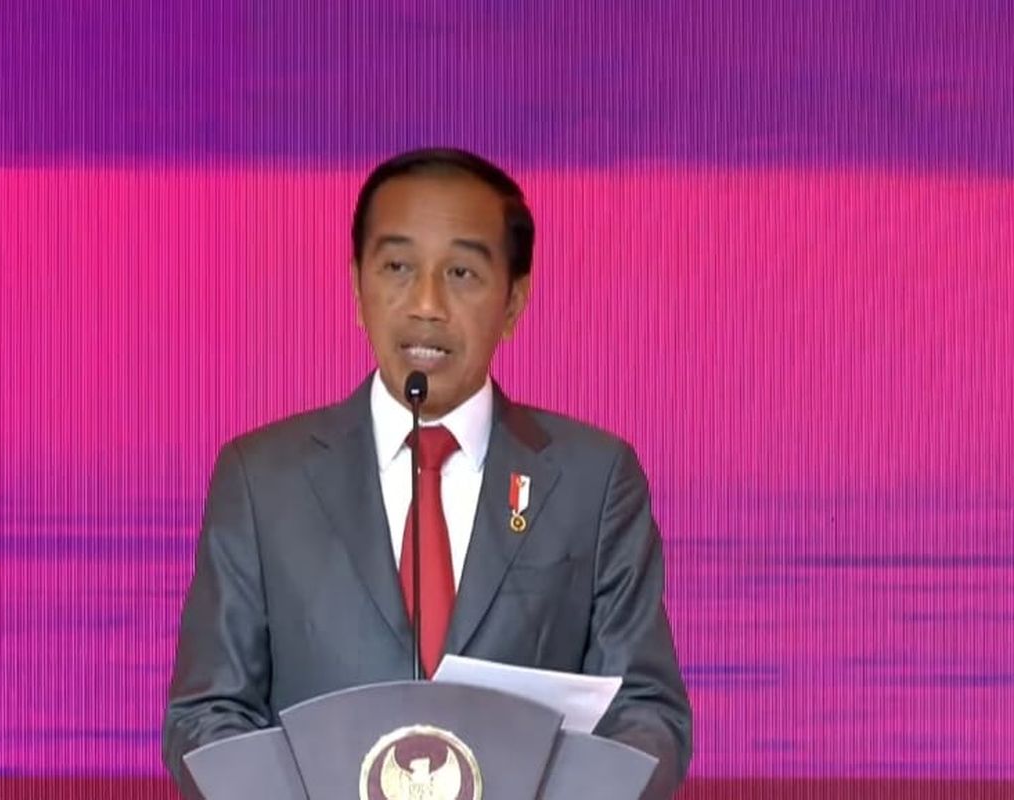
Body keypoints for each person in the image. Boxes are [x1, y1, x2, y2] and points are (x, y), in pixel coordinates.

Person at [162, 148, 692, 798]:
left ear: (514, 300)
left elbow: (646, 714)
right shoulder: (261, 479)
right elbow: (207, 717)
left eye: (462, 272)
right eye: (397, 267)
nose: (426, 303)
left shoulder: (594, 479)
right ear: (358, 286)